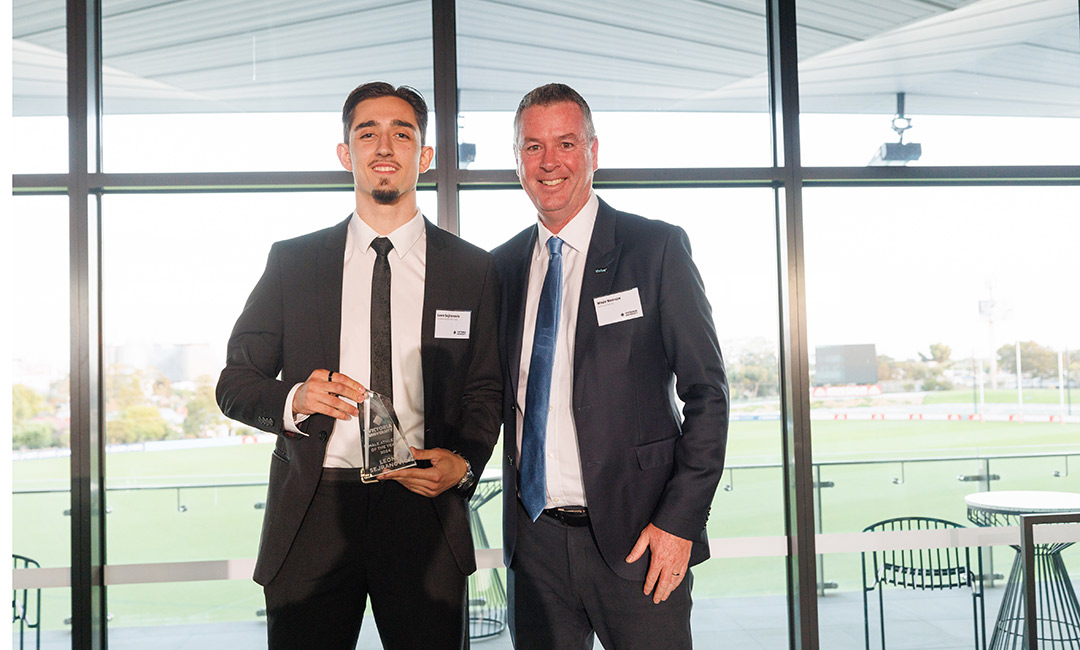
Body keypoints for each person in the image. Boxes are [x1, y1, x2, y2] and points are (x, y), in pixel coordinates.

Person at [216, 81, 501, 650]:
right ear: (346, 154)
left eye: (402, 133)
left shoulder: (473, 269)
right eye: (367, 133)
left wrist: (464, 463)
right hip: (313, 513)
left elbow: (486, 391)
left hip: (422, 507)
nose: (384, 146)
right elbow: (235, 384)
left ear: (425, 156)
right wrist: (294, 398)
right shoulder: (293, 262)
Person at [491, 83, 729, 649]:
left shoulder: (656, 249)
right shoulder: (498, 269)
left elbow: (708, 394)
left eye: (566, 143)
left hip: (642, 540)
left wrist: (678, 524)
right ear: (517, 161)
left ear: (593, 153)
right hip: (537, 546)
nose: (549, 162)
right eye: (532, 147)